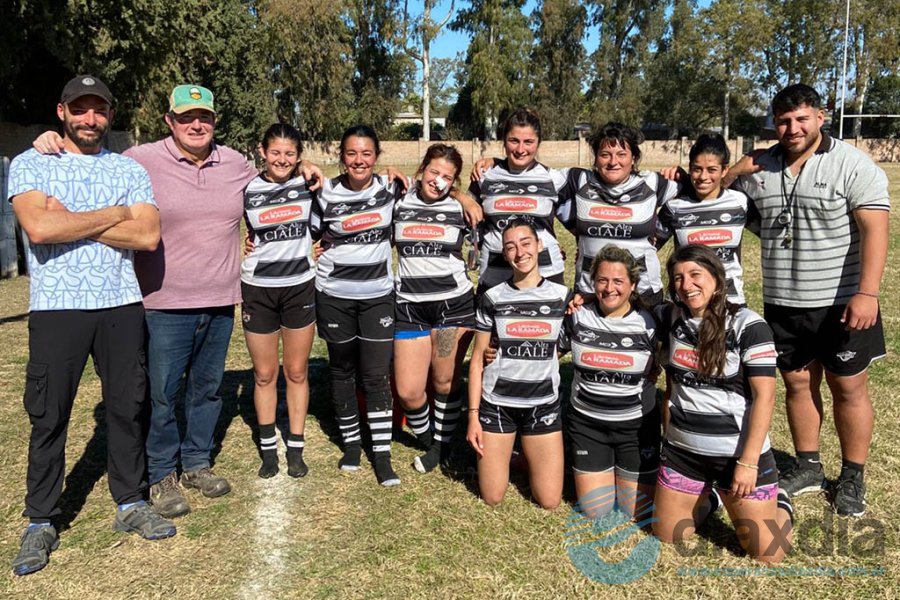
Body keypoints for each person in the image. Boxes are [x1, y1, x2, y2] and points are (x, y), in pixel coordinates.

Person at [30, 84, 325, 518]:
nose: (196, 124)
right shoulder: (141, 159)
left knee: (207, 391)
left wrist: (310, 165)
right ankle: (163, 473)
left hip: (222, 298)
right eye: (186, 117)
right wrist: (50, 140)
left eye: (203, 116)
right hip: (163, 303)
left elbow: (276, 179)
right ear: (170, 121)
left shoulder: (236, 164)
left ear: (214, 121)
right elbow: (91, 158)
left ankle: (196, 463)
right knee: (164, 394)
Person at [8, 75, 174, 576]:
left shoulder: (128, 168)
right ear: (62, 111)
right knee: (49, 414)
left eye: (98, 109)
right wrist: (113, 214)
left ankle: (130, 501)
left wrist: (71, 218)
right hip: (58, 307)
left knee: (128, 405)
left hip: (121, 305)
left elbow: (146, 236)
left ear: (108, 113)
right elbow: (39, 228)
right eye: (79, 109)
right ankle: (40, 518)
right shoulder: (31, 163)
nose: (90, 119)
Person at [728, 84, 890, 517]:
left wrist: (867, 293)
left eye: (801, 118)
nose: (792, 128)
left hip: (842, 302)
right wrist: (735, 168)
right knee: (798, 383)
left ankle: (852, 475)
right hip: (784, 300)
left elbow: (876, 228)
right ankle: (808, 466)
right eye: (783, 120)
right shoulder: (760, 168)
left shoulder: (852, 164)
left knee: (848, 388)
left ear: (822, 116)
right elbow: (716, 192)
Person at [653, 244, 793, 563]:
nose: (686, 285)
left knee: (768, 554)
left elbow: (765, 397)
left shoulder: (749, 325)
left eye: (695, 275)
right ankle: (711, 496)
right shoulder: (671, 317)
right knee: (667, 534)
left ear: (717, 277)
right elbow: (627, 303)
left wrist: (748, 463)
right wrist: (585, 299)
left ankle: (781, 501)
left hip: (736, 457)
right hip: (682, 453)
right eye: (677, 278)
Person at [314, 125, 404, 487]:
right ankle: (351, 446)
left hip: (377, 295)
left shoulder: (392, 188)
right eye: (352, 153)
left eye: (366, 153)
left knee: (376, 375)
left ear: (377, 157)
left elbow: (437, 184)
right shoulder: (323, 193)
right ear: (342, 156)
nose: (359, 160)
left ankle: (381, 455)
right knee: (341, 371)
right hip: (333, 294)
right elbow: (303, 231)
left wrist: (465, 198)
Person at [467, 218, 568, 509]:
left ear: (539, 246)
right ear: (504, 253)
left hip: (542, 404)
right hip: (498, 404)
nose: (520, 252)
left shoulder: (563, 298)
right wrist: (473, 416)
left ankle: (524, 449)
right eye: (510, 247)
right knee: (492, 496)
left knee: (549, 500)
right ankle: (510, 449)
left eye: (525, 243)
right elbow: (477, 361)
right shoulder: (492, 298)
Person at [393, 144, 475, 473]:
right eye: (434, 172)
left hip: (450, 308)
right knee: (410, 392)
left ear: (455, 183)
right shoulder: (397, 201)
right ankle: (433, 441)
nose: (438, 182)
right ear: (422, 169)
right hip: (410, 309)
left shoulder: (461, 208)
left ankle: (442, 447)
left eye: (448, 178)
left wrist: (464, 196)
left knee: (444, 381)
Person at [241, 124, 317, 479]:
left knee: (297, 371)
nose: (282, 160)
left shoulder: (309, 183)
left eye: (289, 153)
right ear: (262, 151)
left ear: (299, 155)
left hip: (299, 286)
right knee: (264, 374)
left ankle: (297, 447)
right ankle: (269, 449)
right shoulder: (246, 188)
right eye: (275, 152)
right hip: (258, 288)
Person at [562, 246, 660, 518]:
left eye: (618, 281)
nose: (609, 288)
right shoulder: (577, 315)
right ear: (593, 283)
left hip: (635, 428)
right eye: (602, 280)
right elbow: (547, 350)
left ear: (633, 285)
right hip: (588, 425)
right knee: (597, 512)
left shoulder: (651, 322)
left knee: (636, 512)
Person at [557, 122, 679, 308]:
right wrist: (550, 237)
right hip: (591, 293)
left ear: (634, 158)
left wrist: (682, 174)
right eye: (605, 154)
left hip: (643, 294)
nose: (613, 162)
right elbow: (535, 183)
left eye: (622, 154)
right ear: (596, 158)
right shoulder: (578, 180)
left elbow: (695, 191)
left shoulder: (653, 183)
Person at [468, 108, 569, 291]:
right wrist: (459, 195)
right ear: (504, 141)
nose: (521, 149)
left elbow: (580, 226)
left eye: (528, 142)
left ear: (538, 143)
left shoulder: (554, 179)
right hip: (494, 274)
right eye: (514, 141)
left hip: (546, 272)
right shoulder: (484, 176)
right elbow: (467, 220)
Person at [655, 133, 750, 305]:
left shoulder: (740, 202)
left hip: (730, 301)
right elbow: (649, 246)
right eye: (697, 169)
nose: (703, 177)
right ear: (690, 168)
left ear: (725, 170)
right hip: (687, 301)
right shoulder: (675, 206)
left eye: (712, 170)